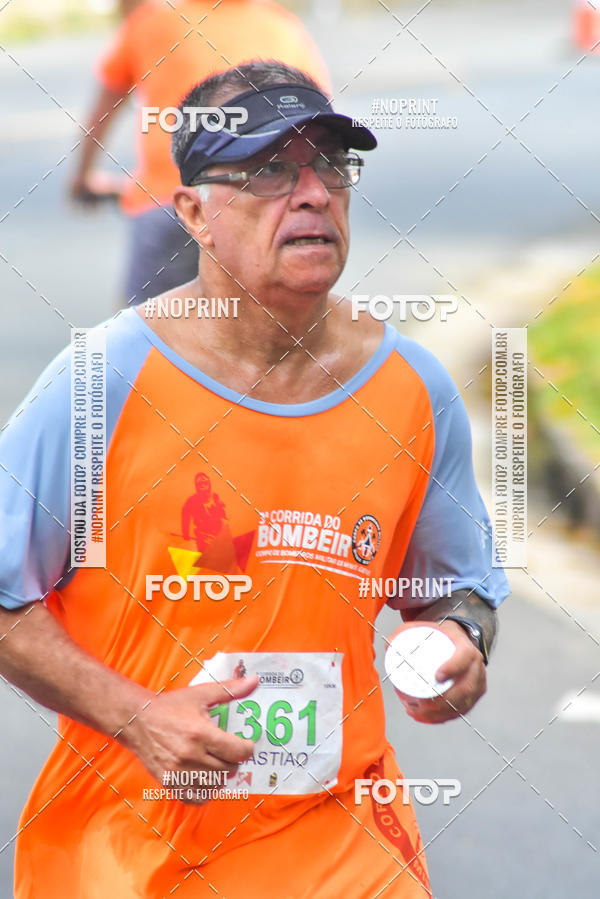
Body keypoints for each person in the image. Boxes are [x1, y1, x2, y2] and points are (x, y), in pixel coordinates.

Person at [2, 61, 510, 898]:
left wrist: (461, 644)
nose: (312, 192)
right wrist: (139, 717)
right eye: (271, 168)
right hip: (134, 846)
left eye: (329, 166)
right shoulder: (102, 381)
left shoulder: (413, 391)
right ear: (195, 212)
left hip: (343, 846)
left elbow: (456, 590)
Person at [69, 0, 331, 308]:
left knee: (146, 333)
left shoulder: (151, 22)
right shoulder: (283, 26)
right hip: (262, 204)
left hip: (168, 200)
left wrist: (82, 177)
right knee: (267, 329)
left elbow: (103, 110)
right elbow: (319, 119)